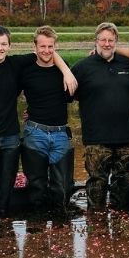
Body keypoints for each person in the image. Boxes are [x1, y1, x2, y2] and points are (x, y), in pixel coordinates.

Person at [0, 25, 76, 218]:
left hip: (11, 137)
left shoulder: (15, 64)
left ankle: (1, 223)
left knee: (6, 184)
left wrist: (66, 70)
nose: (0, 48)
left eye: (4, 44)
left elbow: (47, 52)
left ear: (10, 46)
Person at [71, 22, 129, 212]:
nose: (106, 44)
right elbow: (64, 96)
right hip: (96, 138)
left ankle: (119, 221)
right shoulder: (82, 67)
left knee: (123, 180)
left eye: (111, 40)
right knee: (96, 182)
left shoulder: (128, 65)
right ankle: (96, 223)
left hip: (125, 136)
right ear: (95, 41)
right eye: (103, 40)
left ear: (116, 41)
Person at [18, 26, 75, 214]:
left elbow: (71, 97)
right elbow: (8, 94)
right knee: (37, 187)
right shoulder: (26, 70)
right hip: (35, 133)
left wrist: (66, 71)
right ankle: (36, 235)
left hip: (60, 134)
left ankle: (61, 233)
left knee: (63, 187)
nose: (46, 51)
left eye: (50, 46)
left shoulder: (63, 69)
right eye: (42, 46)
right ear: (34, 46)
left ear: (55, 47)